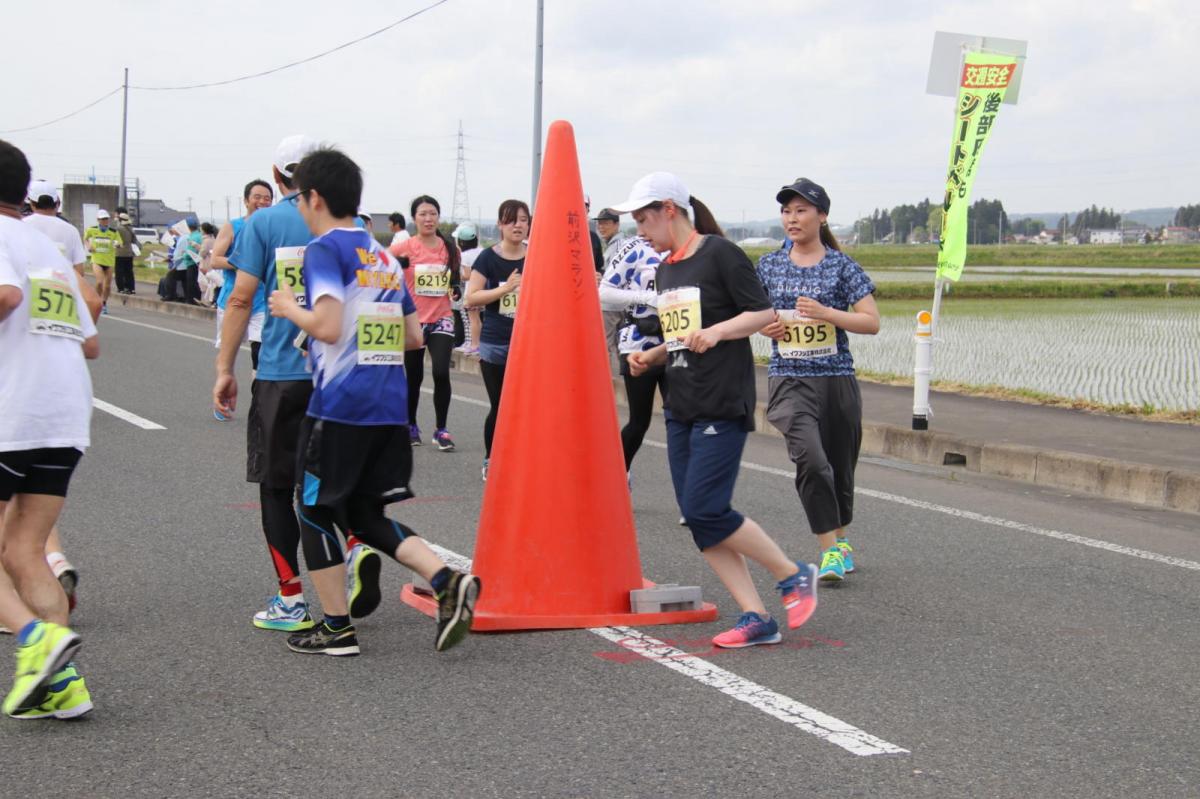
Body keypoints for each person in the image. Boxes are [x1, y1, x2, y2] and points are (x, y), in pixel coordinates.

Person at [266, 147, 481, 656]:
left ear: (315, 197)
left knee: (314, 509)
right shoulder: (383, 255)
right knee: (364, 515)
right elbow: (412, 336)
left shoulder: (324, 250)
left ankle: (336, 627)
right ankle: (447, 580)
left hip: (339, 405)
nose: (299, 207)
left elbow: (327, 325)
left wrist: (289, 308)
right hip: (387, 404)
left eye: (300, 198)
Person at [618, 171, 817, 649]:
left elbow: (764, 313)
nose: (639, 230)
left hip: (721, 399)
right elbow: (680, 333)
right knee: (698, 516)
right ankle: (756, 617)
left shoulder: (719, 254)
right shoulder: (666, 269)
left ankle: (793, 575)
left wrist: (721, 332)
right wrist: (654, 356)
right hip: (682, 401)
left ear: (670, 209)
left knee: (707, 507)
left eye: (644, 218)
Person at [213, 134, 367, 633]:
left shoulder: (263, 222)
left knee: (277, 489)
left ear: (277, 177)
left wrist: (224, 369)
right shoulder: (355, 228)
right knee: (327, 483)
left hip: (282, 373)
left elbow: (239, 299)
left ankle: (291, 599)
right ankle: (353, 549)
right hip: (342, 374)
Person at [0, 138, 98, 718]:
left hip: (13, 410)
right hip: (65, 415)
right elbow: (90, 340)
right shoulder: (45, 246)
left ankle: (37, 640)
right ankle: (64, 686)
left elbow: (7, 295)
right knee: (23, 547)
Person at [757, 178, 879, 582]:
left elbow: (871, 322)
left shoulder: (842, 266)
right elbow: (756, 316)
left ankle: (840, 541)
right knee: (811, 459)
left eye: (801, 210)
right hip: (789, 381)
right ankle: (829, 549)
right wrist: (767, 329)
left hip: (836, 380)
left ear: (822, 216)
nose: (792, 218)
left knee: (840, 469)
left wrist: (829, 313)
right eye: (786, 211)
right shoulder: (769, 265)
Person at [22, 179, 102, 612]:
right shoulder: (59, 240)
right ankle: (53, 563)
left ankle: (27, 622)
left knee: (12, 529)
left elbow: (9, 294)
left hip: (13, 402)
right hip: (63, 405)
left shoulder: (14, 240)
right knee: (30, 518)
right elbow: (89, 304)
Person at [389, 195, 461, 452]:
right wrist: (397, 267)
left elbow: (454, 281)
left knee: (441, 372)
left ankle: (441, 429)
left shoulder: (449, 248)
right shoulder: (404, 247)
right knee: (414, 377)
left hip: (441, 317)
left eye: (433, 214)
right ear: (414, 218)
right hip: (413, 320)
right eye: (423, 214)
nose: (429, 219)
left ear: (438, 217)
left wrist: (455, 290)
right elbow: (380, 267)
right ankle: (410, 425)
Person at [464, 199, 529, 481]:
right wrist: (506, 289)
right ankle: (492, 459)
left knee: (526, 407)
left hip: (529, 343)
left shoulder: (537, 255)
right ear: (501, 225)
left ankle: (521, 457)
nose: (518, 225)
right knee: (500, 405)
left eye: (524, 220)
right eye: (512, 220)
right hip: (496, 344)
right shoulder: (488, 258)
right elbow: (471, 297)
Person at [598, 235, 668, 476]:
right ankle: (616, 477)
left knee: (679, 419)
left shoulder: (682, 247)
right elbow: (604, 292)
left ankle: (693, 499)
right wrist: (646, 298)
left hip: (676, 343)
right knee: (640, 421)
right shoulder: (633, 248)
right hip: (639, 343)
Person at [211, 179, 273, 375]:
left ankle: (258, 401)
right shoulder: (233, 226)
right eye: (257, 197)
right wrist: (244, 263)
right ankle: (221, 402)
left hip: (261, 302)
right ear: (246, 201)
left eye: (267, 198)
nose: (262, 201)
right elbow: (215, 260)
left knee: (260, 352)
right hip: (233, 300)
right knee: (227, 356)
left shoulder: (272, 229)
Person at [596, 206, 630, 372]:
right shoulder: (615, 244)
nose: (601, 227)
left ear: (616, 225)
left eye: (606, 223)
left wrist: (602, 279)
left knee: (608, 345)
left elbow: (619, 276)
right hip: (618, 302)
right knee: (616, 344)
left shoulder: (618, 246)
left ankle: (614, 384)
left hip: (612, 304)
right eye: (600, 223)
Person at [84, 208, 121, 314]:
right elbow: (85, 238)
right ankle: (96, 301)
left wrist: (117, 244)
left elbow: (119, 242)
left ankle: (104, 303)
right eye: (102, 219)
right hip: (97, 259)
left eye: (106, 219)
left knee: (108, 285)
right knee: (100, 282)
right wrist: (89, 246)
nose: (104, 221)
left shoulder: (113, 232)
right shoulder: (92, 230)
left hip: (109, 261)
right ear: (98, 220)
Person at [453, 223, 482, 355]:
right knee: (477, 319)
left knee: (472, 320)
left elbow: (467, 275)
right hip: (483, 291)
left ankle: (474, 344)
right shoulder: (481, 251)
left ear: (462, 242)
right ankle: (475, 343)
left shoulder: (465, 256)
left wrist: (456, 275)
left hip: (471, 291)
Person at [114, 209, 136, 295]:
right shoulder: (131, 229)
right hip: (129, 253)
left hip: (120, 253)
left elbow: (115, 241)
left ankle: (121, 288)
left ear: (120, 220)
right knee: (129, 271)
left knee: (119, 271)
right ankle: (131, 288)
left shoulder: (118, 229)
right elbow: (134, 240)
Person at [197, 222, 220, 305]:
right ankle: (208, 301)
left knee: (204, 282)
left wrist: (197, 246)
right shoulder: (214, 239)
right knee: (210, 283)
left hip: (205, 264)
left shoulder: (206, 240)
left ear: (203, 230)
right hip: (212, 264)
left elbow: (202, 253)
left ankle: (206, 301)